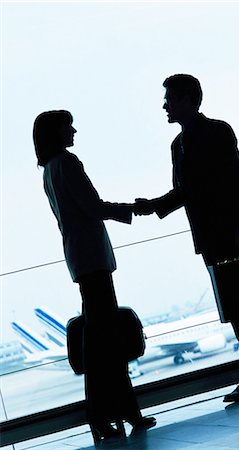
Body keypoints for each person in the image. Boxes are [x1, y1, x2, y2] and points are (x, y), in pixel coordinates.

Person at [134, 74, 239, 402]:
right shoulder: (178, 145)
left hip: (227, 234)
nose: (164, 105)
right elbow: (185, 191)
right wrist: (154, 206)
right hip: (208, 238)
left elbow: (237, 182)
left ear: (186, 99)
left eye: (169, 98)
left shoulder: (217, 131)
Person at [33, 110, 155, 447]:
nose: (73, 130)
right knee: (106, 346)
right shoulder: (68, 163)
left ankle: (119, 413)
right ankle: (108, 415)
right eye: (67, 125)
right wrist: (130, 209)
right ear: (55, 132)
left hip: (80, 258)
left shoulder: (49, 170)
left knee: (101, 344)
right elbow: (92, 207)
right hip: (92, 258)